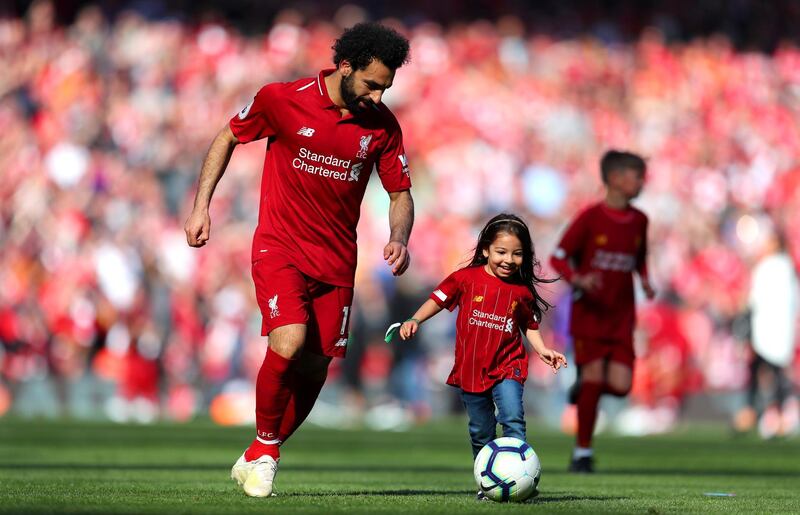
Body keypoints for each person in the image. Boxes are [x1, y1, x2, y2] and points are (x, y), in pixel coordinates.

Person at [183, 22, 414, 498]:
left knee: (314, 368)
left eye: (385, 88)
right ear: (345, 66)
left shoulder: (383, 126)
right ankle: (267, 451)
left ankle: (258, 450)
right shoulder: (281, 99)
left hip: (336, 262)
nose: (376, 95)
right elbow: (227, 136)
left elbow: (400, 193)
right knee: (288, 340)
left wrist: (398, 236)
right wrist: (201, 205)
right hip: (279, 246)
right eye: (371, 84)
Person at [390, 214, 567, 500]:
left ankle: (520, 479)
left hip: (508, 366)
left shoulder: (521, 292)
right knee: (480, 431)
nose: (509, 259)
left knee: (512, 418)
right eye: (501, 252)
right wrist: (415, 320)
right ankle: (488, 482)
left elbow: (530, 325)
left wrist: (542, 348)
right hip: (472, 369)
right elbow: (437, 300)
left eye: (517, 254)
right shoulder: (465, 279)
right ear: (485, 249)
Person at [549, 150, 654, 473]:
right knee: (595, 375)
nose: (641, 182)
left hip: (621, 315)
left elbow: (639, 258)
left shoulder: (639, 220)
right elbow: (558, 257)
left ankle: (584, 390)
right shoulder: (591, 217)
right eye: (636, 175)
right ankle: (582, 452)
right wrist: (578, 278)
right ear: (614, 179)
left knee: (621, 385)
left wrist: (646, 281)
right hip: (590, 314)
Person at [734, 219, 799, 438]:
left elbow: (753, 300)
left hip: (769, 330)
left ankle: (770, 413)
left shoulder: (773, 268)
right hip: (775, 331)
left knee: (770, 371)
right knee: (766, 370)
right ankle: (760, 412)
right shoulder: (785, 268)